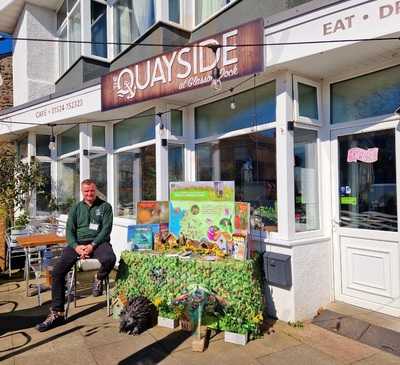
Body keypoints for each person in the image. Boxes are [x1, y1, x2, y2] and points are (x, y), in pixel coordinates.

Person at [36, 179, 116, 332]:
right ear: (82, 192)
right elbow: (69, 231)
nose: (89, 193)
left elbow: (106, 230)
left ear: (96, 190)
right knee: (58, 272)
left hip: (99, 242)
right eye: (86, 191)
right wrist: (76, 247)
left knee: (109, 259)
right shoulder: (76, 208)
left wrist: (92, 246)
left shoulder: (105, 207)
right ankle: (57, 314)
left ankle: (98, 278)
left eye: (92, 190)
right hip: (78, 244)